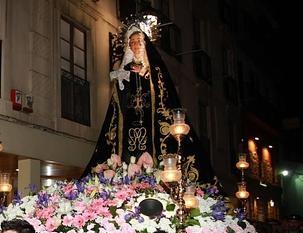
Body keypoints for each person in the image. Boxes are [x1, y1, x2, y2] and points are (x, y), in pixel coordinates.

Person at [82, 25, 213, 183]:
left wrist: (146, 74)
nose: (135, 45)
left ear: (144, 44)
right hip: (129, 125)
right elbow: (119, 101)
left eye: (138, 42)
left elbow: (163, 93)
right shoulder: (125, 70)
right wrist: (123, 80)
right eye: (132, 43)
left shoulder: (155, 69)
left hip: (151, 124)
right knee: (124, 157)